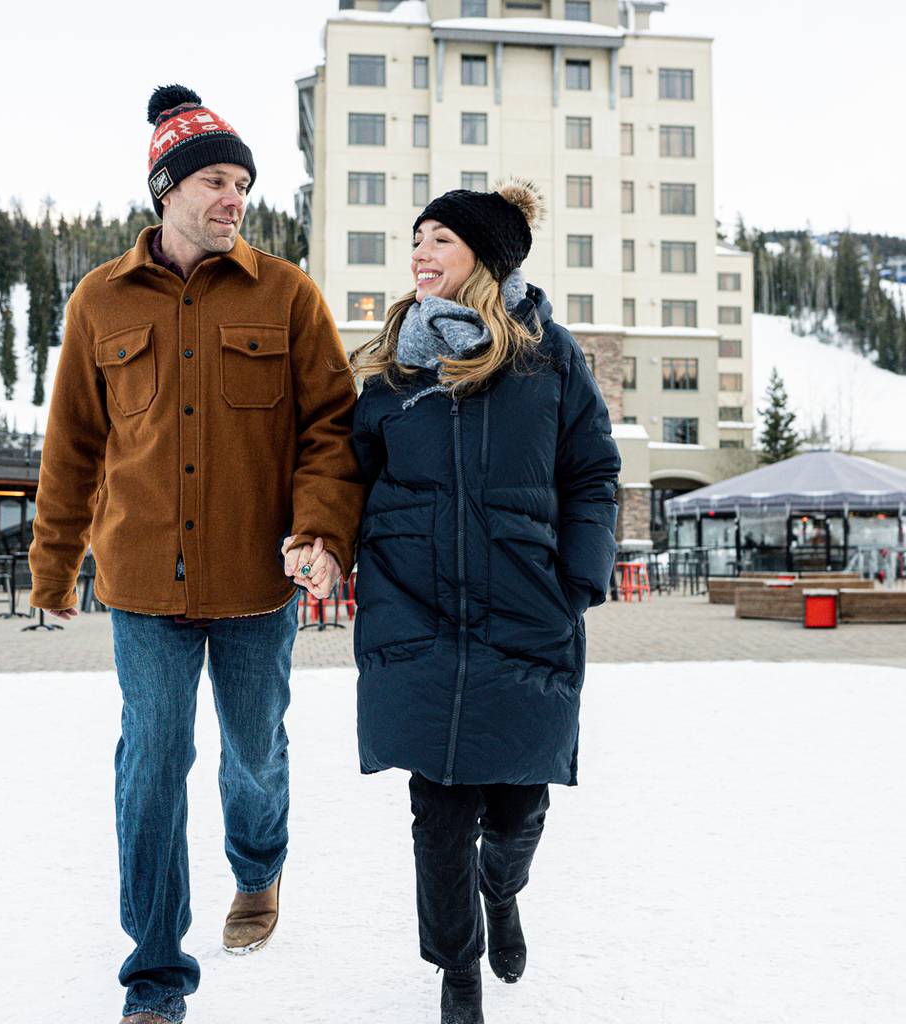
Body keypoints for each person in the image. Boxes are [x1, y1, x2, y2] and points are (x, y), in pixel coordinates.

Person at [28, 84, 362, 1024]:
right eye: (217, 179)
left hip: (261, 583)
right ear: (166, 188)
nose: (234, 199)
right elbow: (73, 448)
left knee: (255, 750)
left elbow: (331, 428)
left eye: (244, 184)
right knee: (153, 760)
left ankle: (258, 869)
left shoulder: (288, 294)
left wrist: (319, 532)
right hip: (140, 584)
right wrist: (53, 569)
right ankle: (156, 972)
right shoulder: (99, 301)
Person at [349, 181, 621, 1023]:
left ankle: (501, 895)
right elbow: (345, 475)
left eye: (441, 240)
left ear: (486, 260)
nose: (421, 254)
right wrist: (325, 545)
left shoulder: (549, 355)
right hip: (416, 609)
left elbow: (592, 473)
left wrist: (577, 578)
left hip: (525, 611)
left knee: (515, 811)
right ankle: (455, 969)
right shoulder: (394, 366)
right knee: (436, 816)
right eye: (417, 239)